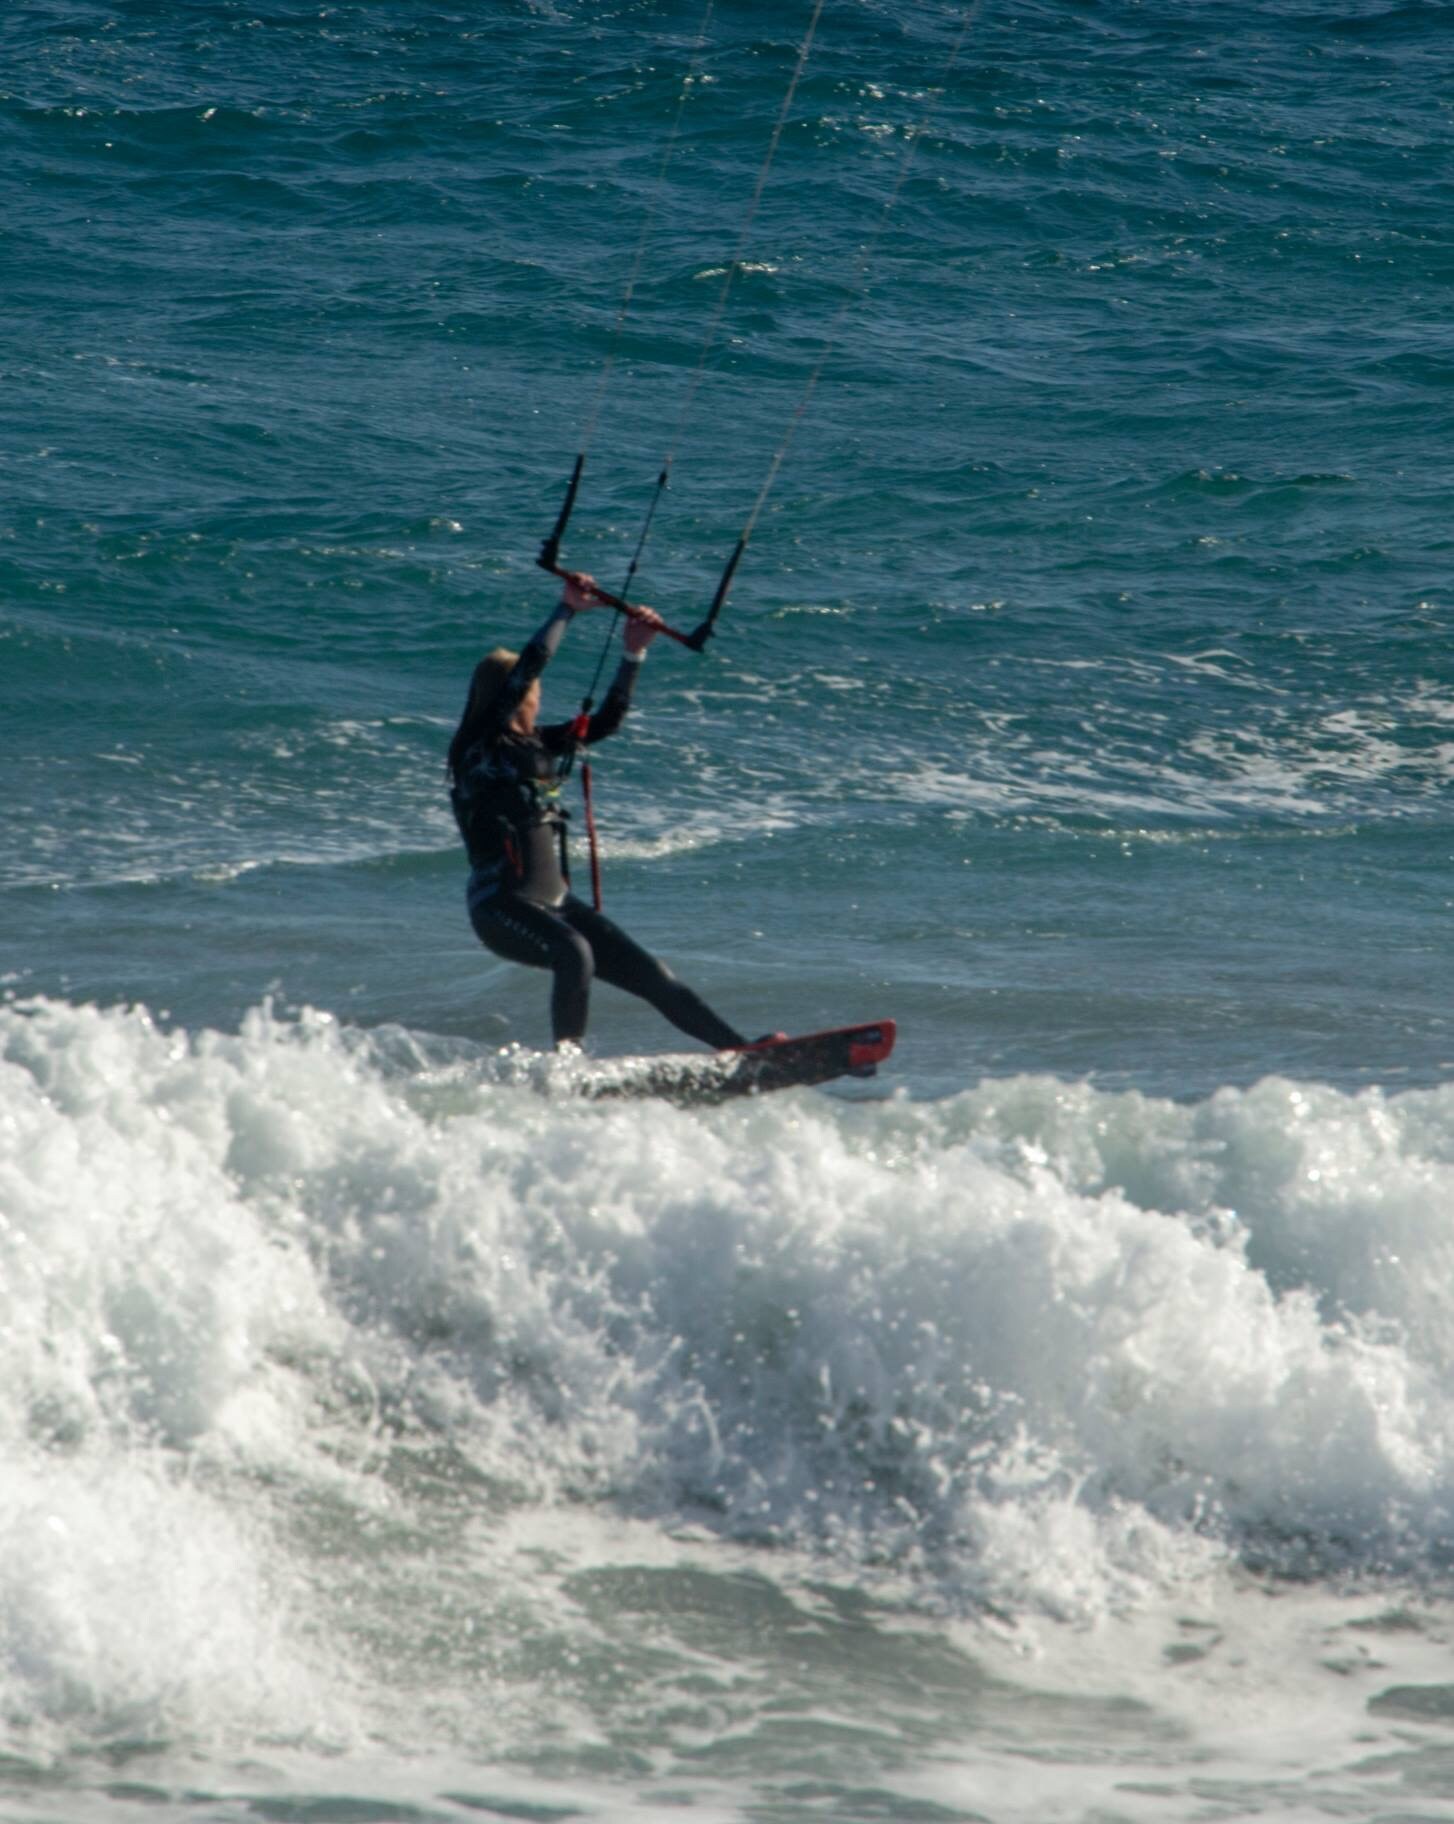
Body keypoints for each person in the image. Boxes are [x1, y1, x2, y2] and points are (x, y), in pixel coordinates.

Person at [447, 571, 750, 1051]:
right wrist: (566, 608)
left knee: (651, 973)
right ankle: (567, 1070)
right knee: (574, 952)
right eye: (532, 685)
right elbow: (530, 663)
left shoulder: (539, 743)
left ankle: (742, 1052)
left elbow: (606, 722)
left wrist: (634, 651)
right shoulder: (477, 748)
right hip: (499, 905)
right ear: (518, 693)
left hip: (555, 901)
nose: (538, 689)